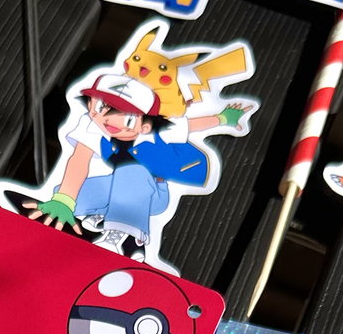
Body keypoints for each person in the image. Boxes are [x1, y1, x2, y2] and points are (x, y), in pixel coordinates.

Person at [26, 72, 248, 256]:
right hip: (115, 186)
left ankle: (128, 241)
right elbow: (79, 160)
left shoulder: (158, 132)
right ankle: (96, 216)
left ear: (145, 125)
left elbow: (192, 125)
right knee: (69, 193)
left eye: (124, 115)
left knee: (132, 172)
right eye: (100, 107)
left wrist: (224, 118)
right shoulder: (92, 126)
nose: (107, 119)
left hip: (151, 195)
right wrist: (64, 201)